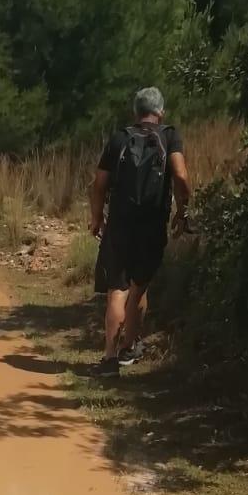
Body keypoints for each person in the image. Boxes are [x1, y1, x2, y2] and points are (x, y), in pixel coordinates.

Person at [88, 87, 192, 377]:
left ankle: (109, 359)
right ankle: (129, 348)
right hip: (151, 225)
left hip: (120, 224)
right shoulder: (169, 135)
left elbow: (98, 184)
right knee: (139, 287)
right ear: (161, 111)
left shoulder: (120, 137)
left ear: (136, 111)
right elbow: (181, 176)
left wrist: (97, 217)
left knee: (117, 290)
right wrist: (182, 212)